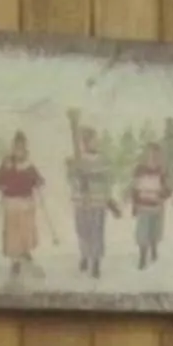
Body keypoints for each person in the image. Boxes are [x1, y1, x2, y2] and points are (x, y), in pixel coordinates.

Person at [0, 132, 46, 280]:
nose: (19, 150)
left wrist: (38, 182)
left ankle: (25, 251)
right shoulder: (7, 164)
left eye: (21, 147)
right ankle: (15, 259)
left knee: (26, 229)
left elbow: (38, 179)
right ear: (13, 148)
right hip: (11, 202)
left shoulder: (28, 165)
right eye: (16, 147)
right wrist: (2, 185)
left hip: (26, 202)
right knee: (13, 232)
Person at [64, 114, 111, 277]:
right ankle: (84, 255)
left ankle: (96, 261)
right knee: (83, 230)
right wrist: (73, 171)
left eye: (95, 140)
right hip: (82, 203)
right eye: (91, 140)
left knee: (96, 231)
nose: (95, 143)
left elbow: (105, 179)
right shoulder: (77, 159)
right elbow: (71, 179)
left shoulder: (102, 160)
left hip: (97, 202)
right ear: (84, 142)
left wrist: (90, 178)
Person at [128, 141, 170, 269]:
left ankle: (153, 249)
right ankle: (142, 256)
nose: (153, 158)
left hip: (156, 206)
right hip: (143, 206)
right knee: (143, 232)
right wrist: (134, 204)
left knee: (154, 230)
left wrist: (163, 195)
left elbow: (168, 189)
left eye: (156, 155)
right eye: (151, 154)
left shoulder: (162, 171)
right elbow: (134, 188)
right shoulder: (139, 170)